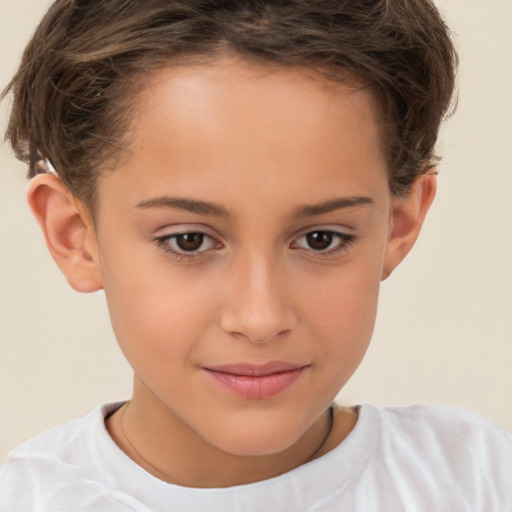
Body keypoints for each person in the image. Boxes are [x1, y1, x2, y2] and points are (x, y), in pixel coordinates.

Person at [0, 0, 511, 510]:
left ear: (398, 226)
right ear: (75, 235)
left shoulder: (481, 482)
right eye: (189, 240)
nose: (260, 319)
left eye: (321, 239)